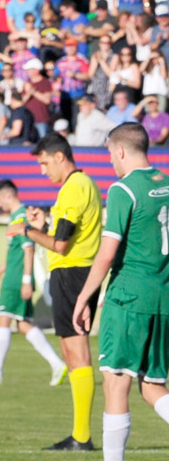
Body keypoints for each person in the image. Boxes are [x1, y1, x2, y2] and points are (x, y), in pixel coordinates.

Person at [71, 123, 169, 461]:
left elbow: (107, 252)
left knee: (116, 382)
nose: (111, 160)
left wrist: (84, 297)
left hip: (128, 297)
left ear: (122, 151)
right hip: (163, 298)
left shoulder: (122, 190)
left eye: (111, 153)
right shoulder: (167, 183)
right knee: (152, 386)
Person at [25, 133, 102, 451]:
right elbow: (60, 237)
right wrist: (44, 225)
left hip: (74, 274)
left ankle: (82, 436)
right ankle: (79, 434)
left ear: (60, 157)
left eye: (44, 163)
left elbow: (61, 244)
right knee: (72, 353)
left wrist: (27, 231)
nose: (43, 171)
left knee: (77, 351)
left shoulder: (73, 187)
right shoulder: (78, 187)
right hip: (72, 273)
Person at [0, 180, 66, 385]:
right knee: (23, 325)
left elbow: (28, 248)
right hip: (13, 275)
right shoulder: (16, 216)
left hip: (16, 280)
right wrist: (0, 270)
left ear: (7, 196)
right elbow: (16, 251)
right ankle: (57, 364)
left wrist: (25, 281)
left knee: (3, 320)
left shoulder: (21, 217)